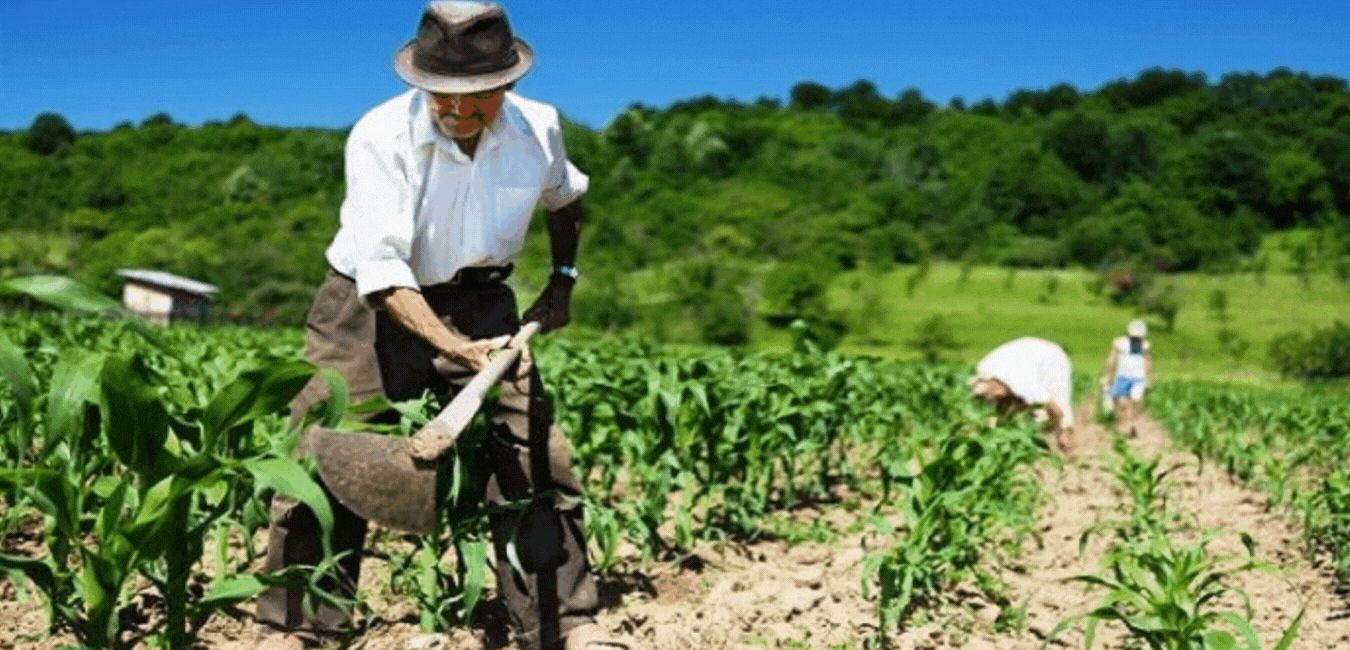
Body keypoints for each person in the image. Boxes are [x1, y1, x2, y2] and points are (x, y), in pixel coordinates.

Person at [253, 4, 639, 650]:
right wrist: (455, 348)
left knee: (531, 451)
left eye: (476, 97)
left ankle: (563, 621)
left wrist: (563, 278)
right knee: (322, 448)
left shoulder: (539, 129)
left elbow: (566, 197)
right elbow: (383, 276)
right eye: (443, 95)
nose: (457, 111)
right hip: (365, 305)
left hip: (485, 301)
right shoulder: (380, 136)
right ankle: (297, 628)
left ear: (507, 83)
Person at [968, 336, 1075, 453]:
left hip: (1052, 360)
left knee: (1057, 405)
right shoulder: (984, 368)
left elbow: (1050, 403)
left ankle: (1067, 444)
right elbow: (983, 395)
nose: (989, 399)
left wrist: (1061, 428)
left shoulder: (1023, 384)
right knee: (1007, 411)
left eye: (991, 396)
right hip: (1024, 356)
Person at [1100, 319, 1153, 428]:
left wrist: (1148, 378)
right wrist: (1107, 375)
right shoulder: (1120, 344)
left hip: (1138, 379)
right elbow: (1112, 361)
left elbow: (1147, 362)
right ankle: (1121, 425)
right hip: (1122, 377)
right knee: (1122, 403)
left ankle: (1134, 423)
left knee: (1136, 399)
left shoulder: (1145, 346)